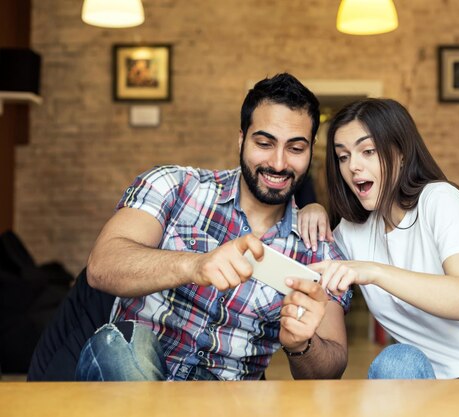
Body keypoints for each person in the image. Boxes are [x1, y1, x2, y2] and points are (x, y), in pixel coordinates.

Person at [75, 73, 350, 382]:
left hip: (229, 399)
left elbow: (332, 364)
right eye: (264, 143)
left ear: (311, 151)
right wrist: (196, 265)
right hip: (138, 380)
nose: (278, 162)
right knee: (120, 346)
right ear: (241, 139)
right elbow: (102, 266)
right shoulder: (174, 186)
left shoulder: (318, 248)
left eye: (296, 149)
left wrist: (303, 344)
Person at [299, 98, 459, 379]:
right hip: (428, 384)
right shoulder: (351, 233)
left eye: (368, 151)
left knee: (397, 361)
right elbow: (312, 273)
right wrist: (313, 208)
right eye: (343, 156)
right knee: (397, 361)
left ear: (400, 153)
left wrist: (373, 272)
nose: (353, 167)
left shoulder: (440, 200)